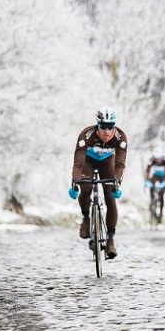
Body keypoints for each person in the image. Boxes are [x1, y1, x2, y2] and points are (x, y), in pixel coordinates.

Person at [69, 107, 127, 258]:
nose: (107, 131)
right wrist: (75, 181)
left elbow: (120, 165)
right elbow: (78, 164)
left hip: (108, 163)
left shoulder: (120, 138)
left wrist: (117, 181)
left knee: (110, 197)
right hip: (88, 162)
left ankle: (111, 240)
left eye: (110, 127)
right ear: (97, 126)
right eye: (103, 127)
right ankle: (86, 218)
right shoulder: (86, 135)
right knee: (86, 188)